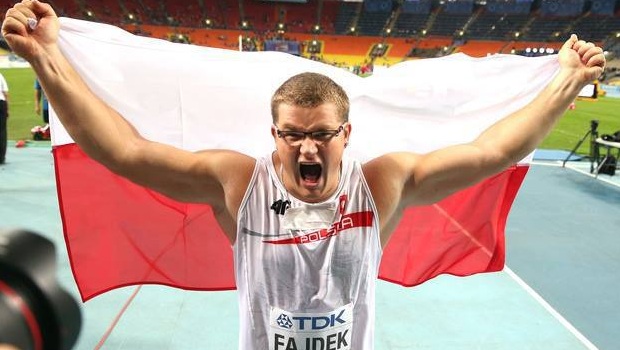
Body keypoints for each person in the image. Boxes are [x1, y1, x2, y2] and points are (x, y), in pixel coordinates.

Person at [2, 0, 606, 349]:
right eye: (293, 134)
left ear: (347, 136)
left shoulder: (383, 183)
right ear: (275, 137)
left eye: (321, 134)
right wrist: (47, 56)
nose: (306, 147)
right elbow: (123, 151)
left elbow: (490, 150)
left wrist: (564, 82)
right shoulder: (237, 184)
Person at [0, 71, 9, 165]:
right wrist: (8, 108)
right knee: (2, 131)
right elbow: (5, 92)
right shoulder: (0, 75)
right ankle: (1, 157)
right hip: (1, 103)